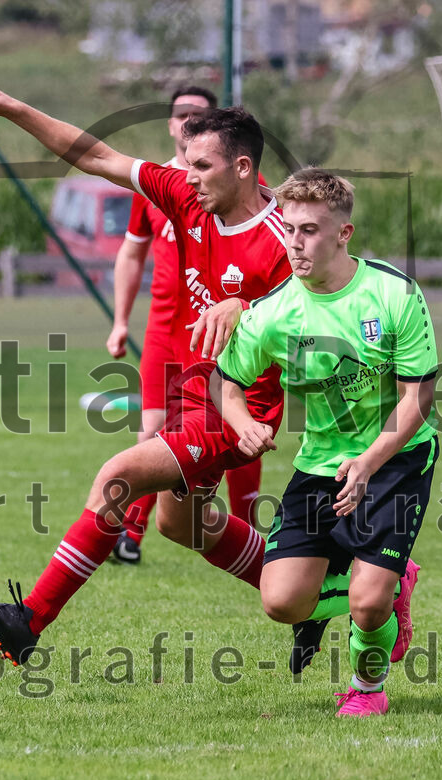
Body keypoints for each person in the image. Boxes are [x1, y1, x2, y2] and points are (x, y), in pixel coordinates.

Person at [0, 78, 292, 667]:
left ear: (241, 168)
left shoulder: (282, 240)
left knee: (118, 476)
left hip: (239, 409)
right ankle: (317, 596)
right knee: (184, 526)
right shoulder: (186, 194)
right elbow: (93, 154)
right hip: (192, 391)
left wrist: (256, 308)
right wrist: (10, 105)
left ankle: (29, 621)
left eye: (202, 165)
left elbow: (330, 305)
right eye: (186, 162)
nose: (189, 174)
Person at [212, 168, 437, 716]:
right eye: (289, 229)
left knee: (366, 603)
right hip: (320, 465)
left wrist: (369, 460)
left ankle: (367, 687)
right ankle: (388, 585)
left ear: (344, 233)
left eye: (309, 230)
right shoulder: (273, 312)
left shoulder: (394, 295)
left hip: (396, 459)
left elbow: (418, 399)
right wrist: (240, 421)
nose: (295, 242)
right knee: (282, 601)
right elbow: (225, 379)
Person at [106, 86, 265, 564]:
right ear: (171, 124)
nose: (186, 120)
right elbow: (132, 252)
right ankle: (130, 535)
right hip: (165, 326)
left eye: (197, 113)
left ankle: (250, 532)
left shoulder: (233, 189)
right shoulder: (160, 186)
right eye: (180, 114)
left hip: (219, 331)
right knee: (152, 428)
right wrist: (119, 320)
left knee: (238, 430)